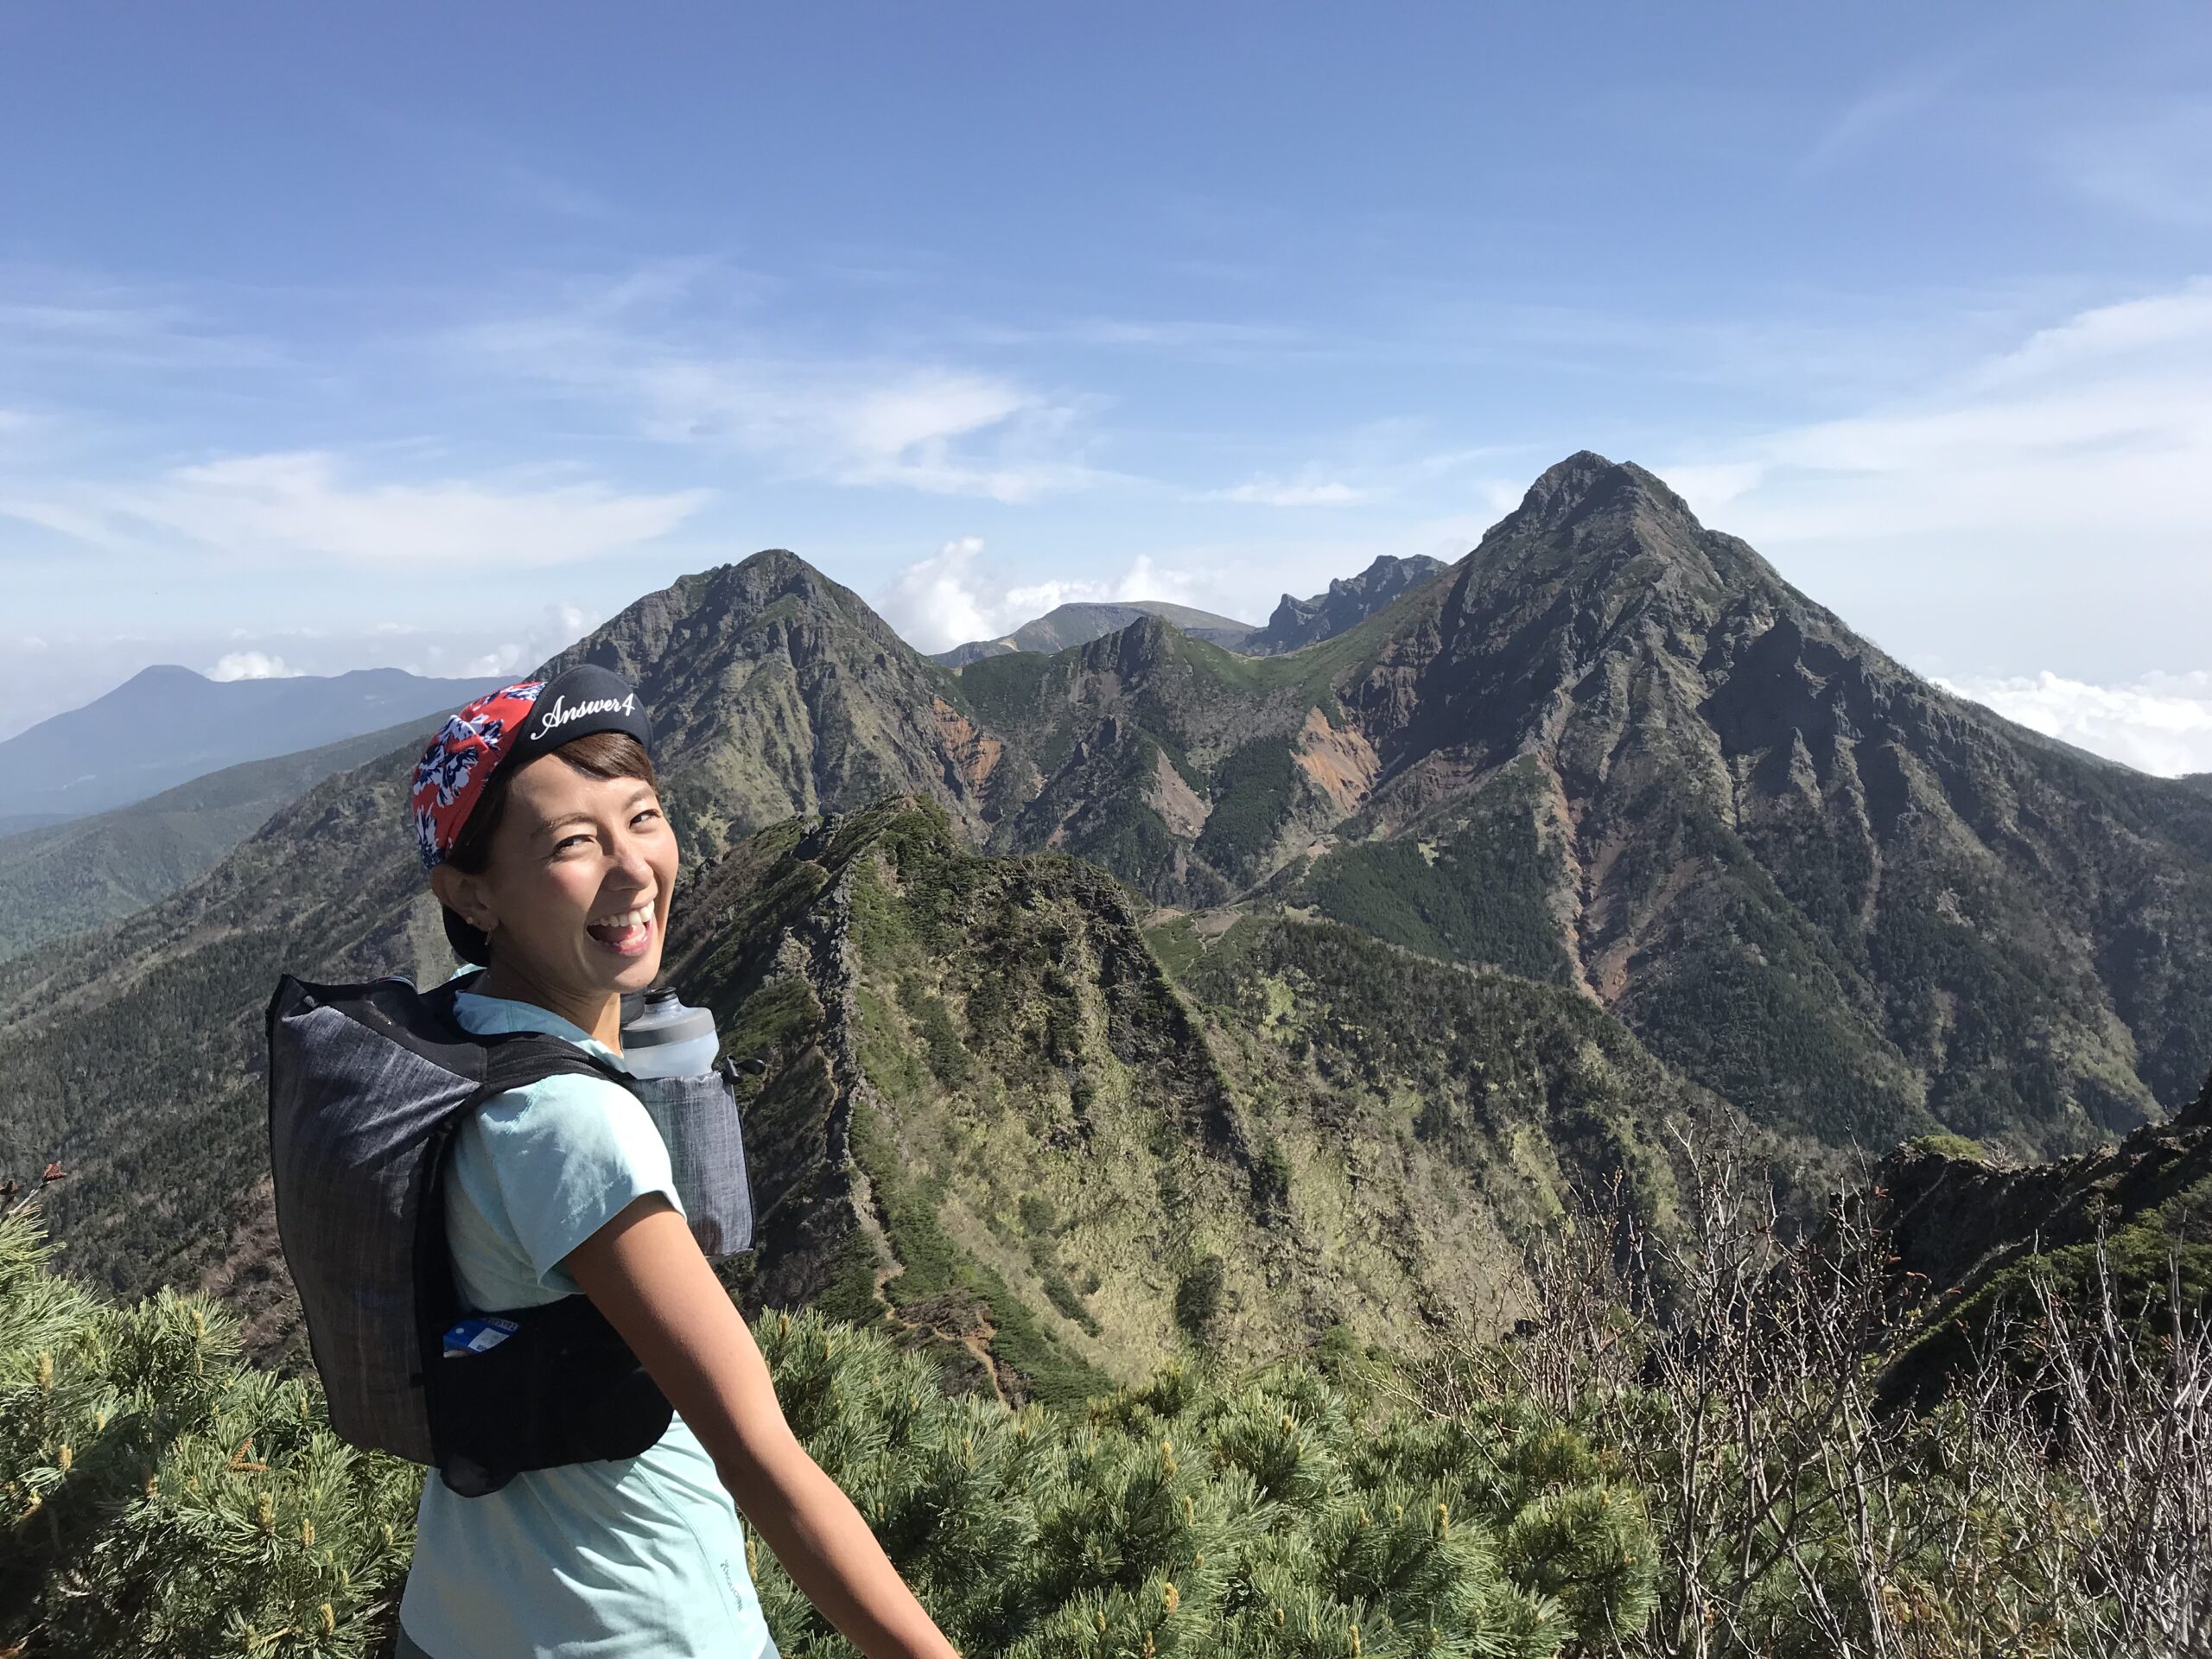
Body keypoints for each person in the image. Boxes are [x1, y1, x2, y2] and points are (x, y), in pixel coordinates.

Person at [392, 665, 957, 1659]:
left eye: (642, 818)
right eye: (572, 842)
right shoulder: (571, 1126)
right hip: (632, 1629)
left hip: (456, 1616)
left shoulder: (455, 1034)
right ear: (471, 894)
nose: (632, 869)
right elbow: (763, 1459)